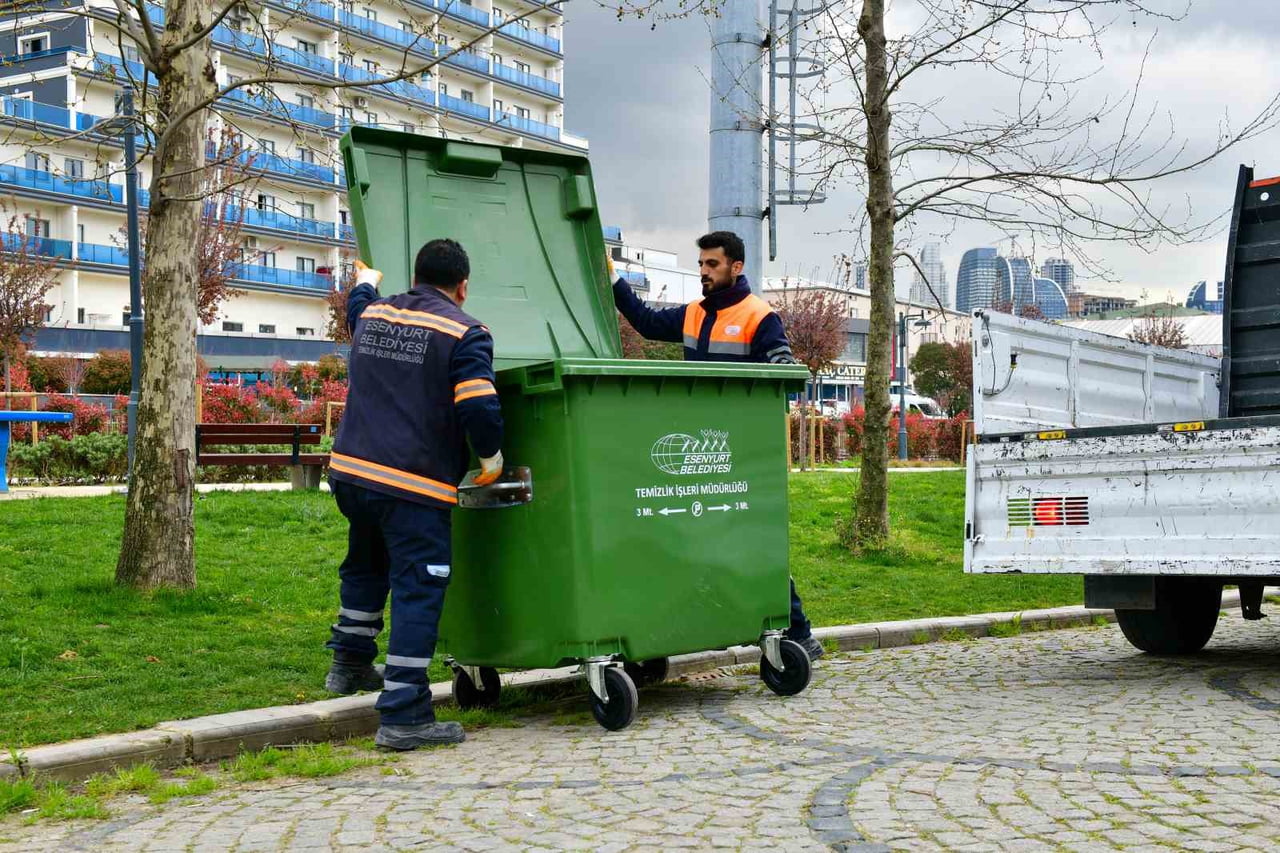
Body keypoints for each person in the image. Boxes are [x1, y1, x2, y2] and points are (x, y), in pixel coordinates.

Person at [324, 239, 505, 750]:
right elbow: (479, 406)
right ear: (462, 287)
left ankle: (350, 664)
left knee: (365, 565)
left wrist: (364, 280)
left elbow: (356, 307)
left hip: (352, 475)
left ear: (417, 277)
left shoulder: (375, 314)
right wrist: (491, 458)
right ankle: (404, 715)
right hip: (412, 484)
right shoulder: (465, 332)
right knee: (418, 588)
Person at [610, 230, 823, 661]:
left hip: (741, 452)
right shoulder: (694, 313)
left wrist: (783, 366)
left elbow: (784, 373)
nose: (704, 271)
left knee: (752, 540)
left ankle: (798, 632)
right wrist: (613, 278)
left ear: (736, 267)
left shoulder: (759, 316)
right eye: (702, 264)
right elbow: (647, 322)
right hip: (699, 452)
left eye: (712, 264)